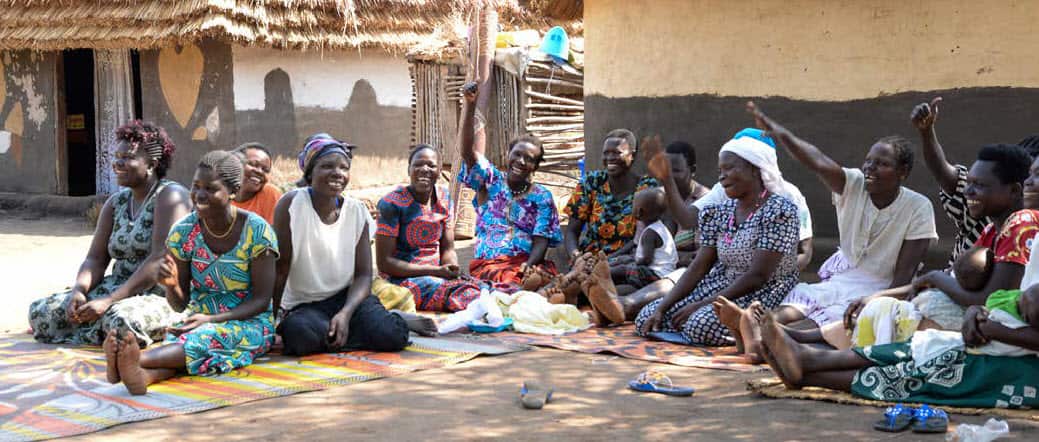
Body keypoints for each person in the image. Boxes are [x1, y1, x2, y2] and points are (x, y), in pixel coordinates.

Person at [727, 102, 936, 349]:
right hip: (845, 273)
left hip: (883, 287)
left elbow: (902, 278)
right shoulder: (854, 184)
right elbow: (818, 162)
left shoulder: (918, 207)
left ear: (903, 172)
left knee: (844, 315)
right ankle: (758, 326)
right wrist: (783, 135)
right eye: (868, 161)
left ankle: (772, 339)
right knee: (807, 299)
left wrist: (875, 299)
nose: (870, 167)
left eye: (882, 164)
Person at [104, 150, 278, 395]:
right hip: (197, 318)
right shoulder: (183, 232)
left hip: (249, 321)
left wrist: (212, 319)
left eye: (210, 188)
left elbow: (261, 300)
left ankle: (134, 363)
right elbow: (179, 304)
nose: (199, 195)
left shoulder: (257, 232)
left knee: (204, 339)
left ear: (233, 192)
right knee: (192, 341)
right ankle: (142, 376)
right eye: (195, 186)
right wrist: (172, 285)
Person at [622, 130, 814, 322]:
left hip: (764, 283)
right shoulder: (722, 202)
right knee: (649, 315)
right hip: (723, 277)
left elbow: (799, 255)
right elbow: (689, 224)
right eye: (720, 170)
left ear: (755, 167)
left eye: (730, 167)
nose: (722, 176)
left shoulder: (785, 202)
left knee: (699, 322)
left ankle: (750, 326)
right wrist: (667, 179)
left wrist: (775, 270)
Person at [28, 121, 190, 346]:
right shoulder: (116, 203)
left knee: (122, 320)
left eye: (127, 158)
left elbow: (159, 259)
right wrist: (79, 290)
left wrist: (109, 301)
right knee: (42, 312)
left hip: (161, 293)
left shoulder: (171, 196)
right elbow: (95, 259)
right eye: (117, 157)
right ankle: (101, 328)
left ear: (152, 164)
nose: (118, 163)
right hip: (117, 286)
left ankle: (109, 330)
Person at [272, 135, 436, 356]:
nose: (337, 173)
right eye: (327, 166)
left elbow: (362, 276)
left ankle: (383, 321)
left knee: (392, 335)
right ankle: (351, 331)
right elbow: (280, 269)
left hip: (349, 299)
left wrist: (345, 314)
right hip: (305, 305)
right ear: (310, 173)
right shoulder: (290, 205)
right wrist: (270, 321)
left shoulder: (356, 210)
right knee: (300, 337)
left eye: (344, 167)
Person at [755, 308, 1039, 409]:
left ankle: (806, 371)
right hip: (1000, 340)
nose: (1031, 181)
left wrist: (991, 328)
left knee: (934, 374)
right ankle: (806, 360)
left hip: (1025, 369)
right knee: (921, 347)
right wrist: (975, 313)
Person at [457, 83, 562, 285]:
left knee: (551, 281)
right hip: (491, 264)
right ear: (508, 155)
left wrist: (528, 267)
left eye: (529, 159)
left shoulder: (542, 196)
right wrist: (470, 106)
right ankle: (524, 290)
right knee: (506, 283)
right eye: (517, 155)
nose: (521, 161)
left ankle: (531, 286)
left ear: (535, 167)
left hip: (528, 262)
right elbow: (467, 153)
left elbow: (541, 241)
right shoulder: (490, 181)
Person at [376, 145, 482, 312]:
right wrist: (437, 271)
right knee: (466, 295)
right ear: (408, 169)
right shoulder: (391, 204)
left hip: (438, 276)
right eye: (418, 164)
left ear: (439, 171)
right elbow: (385, 264)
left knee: (486, 289)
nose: (424, 169)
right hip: (401, 280)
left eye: (431, 165)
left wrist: (451, 268)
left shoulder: (445, 198)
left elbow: (448, 249)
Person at [563, 129, 659, 259]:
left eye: (617, 153)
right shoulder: (592, 182)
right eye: (606, 153)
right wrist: (576, 256)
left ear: (633, 156)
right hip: (589, 258)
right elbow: (572, 231)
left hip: (627, 260)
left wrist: (606, 262)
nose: (610, 158)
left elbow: (640, 238)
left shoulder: (645, 188)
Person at [607, 188, 678, 292]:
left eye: (633, 205)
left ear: (639, 212)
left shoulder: (650, 233)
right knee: (622, 261)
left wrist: (632, 261)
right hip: (659, 272)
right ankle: (607, 270)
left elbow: (646, 260)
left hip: (656, 275)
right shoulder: (658, 227)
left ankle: (601, 274)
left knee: (623, 268)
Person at [231, 142, 282, 224]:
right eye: (253, 164)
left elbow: (274, 235)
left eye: (265, 170)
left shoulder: (270, 194)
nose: (260, 171)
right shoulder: (219, 194)